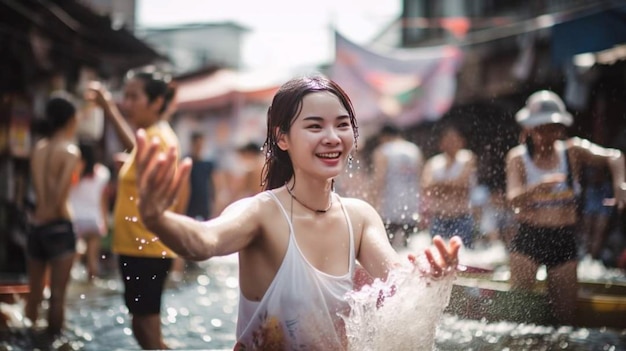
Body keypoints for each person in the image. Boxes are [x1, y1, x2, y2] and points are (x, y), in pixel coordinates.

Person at [130, 75, 462, 350]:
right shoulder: (261, 212)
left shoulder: (359, 217)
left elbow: (394, 279)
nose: (332, 138)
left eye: (342, 125)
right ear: (283, 138)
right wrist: (158, 218)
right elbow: (204, 243)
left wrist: (428, 277)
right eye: (315, 126)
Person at [505, 90, 626, 325]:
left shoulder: (573, 151)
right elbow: (512, 199)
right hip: (529, 237)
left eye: (553, 127)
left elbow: (614, 156)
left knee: (565, 321)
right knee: (516, 317)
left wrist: (620, 184)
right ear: (530, 128)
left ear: (561, 128)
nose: (548, 134)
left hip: (563, 239)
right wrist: (536, 189)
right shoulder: (517, 158)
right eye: (541, 128)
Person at [88, 71, 187, 350]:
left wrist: (108, 109)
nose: (127, 103)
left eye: (134, 97)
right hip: (136, 246)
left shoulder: (160, 140)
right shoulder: (151, 137)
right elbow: (137, 149)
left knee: (148, 331)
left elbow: (165, 189)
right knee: (141, 328)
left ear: (156, 102)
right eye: (125, 96)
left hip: (148, 248)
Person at [26, 94, 81, 337]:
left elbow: (40, 192)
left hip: (36, 226)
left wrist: (42, 214)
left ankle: (26, 338)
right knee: (57, 296)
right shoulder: (70, 151)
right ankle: (52, 342)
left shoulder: (38, 148)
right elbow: (59, 196)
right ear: (70, 119)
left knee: (34, 293)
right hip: (59, 225)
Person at [421, 124, 478, 248]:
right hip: (439, 217)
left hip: (461, 217)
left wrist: (440, 185)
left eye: (454, 140)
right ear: (441, 143)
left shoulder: (467, 157)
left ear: (462, 142)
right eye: (447, 140)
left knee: (464, 257)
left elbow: (463, 184)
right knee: (437, 254)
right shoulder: (434, 162)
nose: (450, 143)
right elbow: (426, 186)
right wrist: (453, 186)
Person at [371, 123, 424, 249]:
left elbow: (379, 180)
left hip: (389, 207)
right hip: (411, 206)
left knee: (387, 247)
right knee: (408, 248)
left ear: (383, 136)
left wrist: (373, 203)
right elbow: (421, 178)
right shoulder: (414, 150)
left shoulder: (383, 151)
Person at [69, 142, 111, 282]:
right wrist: (104, 221)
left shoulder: (73, 173)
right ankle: (92, 283)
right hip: (94, 221)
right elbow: (103, 201)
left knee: (71, 263)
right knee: (93, 263)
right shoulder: (103, 174)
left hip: (75, 221)